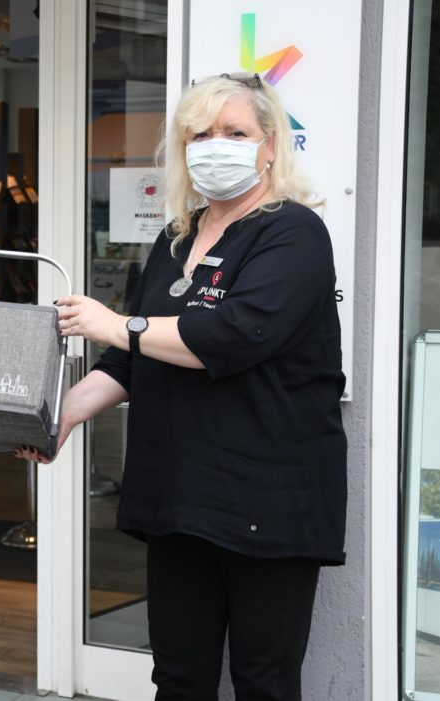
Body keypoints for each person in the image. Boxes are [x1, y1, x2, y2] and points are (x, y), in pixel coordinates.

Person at [19, 72, 347, 700]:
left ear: (271, 144)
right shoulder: (177, 241)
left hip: (267, 501)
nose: (215, 145)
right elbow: (130, 362)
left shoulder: (294, 232)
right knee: (178, 676)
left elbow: (236, 334)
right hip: (179, 497)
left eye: (235, 132)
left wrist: (119, 323)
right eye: (200, 134)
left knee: (264, 681)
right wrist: (57, 417)